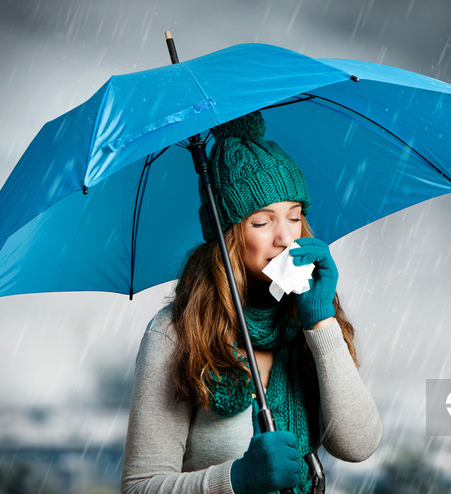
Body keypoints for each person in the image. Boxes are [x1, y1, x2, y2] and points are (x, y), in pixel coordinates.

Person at [122, 111, 382, 494]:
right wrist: (237, 479)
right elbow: (140, 486)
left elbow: (357, 445)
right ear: (227, 235)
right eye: (261, 222)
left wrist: (320, 321)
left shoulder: (306, 314)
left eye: (294, 217)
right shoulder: (176, 333)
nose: (285, 239)